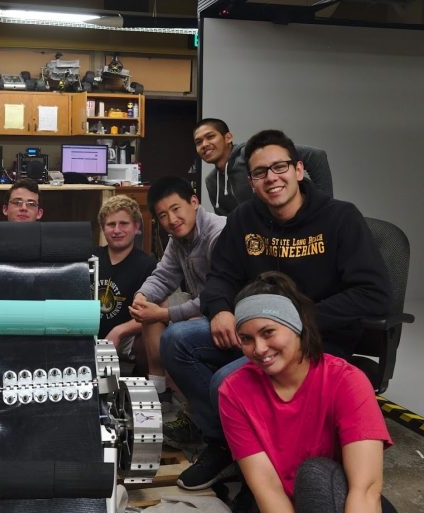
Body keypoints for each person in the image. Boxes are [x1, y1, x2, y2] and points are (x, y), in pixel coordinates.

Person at [162, 129, 391, 491]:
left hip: (319, 338)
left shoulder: (340, 218)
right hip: (255, 333)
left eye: (279, 167)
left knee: (226, 382)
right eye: (259, 172)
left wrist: (300, 322)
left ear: (299, 170)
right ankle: (228, 444)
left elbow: (374, 294)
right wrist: (220, 309)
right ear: (251, 182)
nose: (272, 178)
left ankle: (245, 451)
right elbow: (220, 276)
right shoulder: (243, 220)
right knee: (176, 339)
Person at [219, 271, 395, 513]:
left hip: (340, 501)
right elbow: (267, 488)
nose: (259, 349)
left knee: (315, 475)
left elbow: (365, 490)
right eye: (246, 339)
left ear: (296, 326)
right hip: (280, 503)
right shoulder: (234, 391)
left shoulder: (347, 381)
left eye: (268, 332)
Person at [128, 177, 225, 434]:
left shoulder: (218, 234)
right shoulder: (178, 238)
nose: (171, 219)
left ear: (194, 202)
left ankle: (213, 426)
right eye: (162, 215)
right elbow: (164, 275)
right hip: (207, 312)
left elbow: (215, 296)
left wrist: (166, 313)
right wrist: (142, 296)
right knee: (150, 313)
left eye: (175, 209)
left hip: (230, 315)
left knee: (176, 336)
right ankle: (161, 398)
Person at [192, 118, 333, 215]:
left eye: (210, 137)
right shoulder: (211, 181)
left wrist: (324, 208)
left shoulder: (253, 154)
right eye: (198, 142)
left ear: (228, 137)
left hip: (293, 228)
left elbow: (316, 156)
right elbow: (227, 221)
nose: (204, 144)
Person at [94, 195, 157, 371]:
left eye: (124, 224)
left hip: (126, 338)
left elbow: (151, 315)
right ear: (102, 228)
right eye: (111, 224)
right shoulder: (91, 258)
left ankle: (149, 384)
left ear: (136, 227)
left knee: (151, 337)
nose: (117, 230)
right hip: (90, 333)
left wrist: (119, 331)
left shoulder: (147, 264)